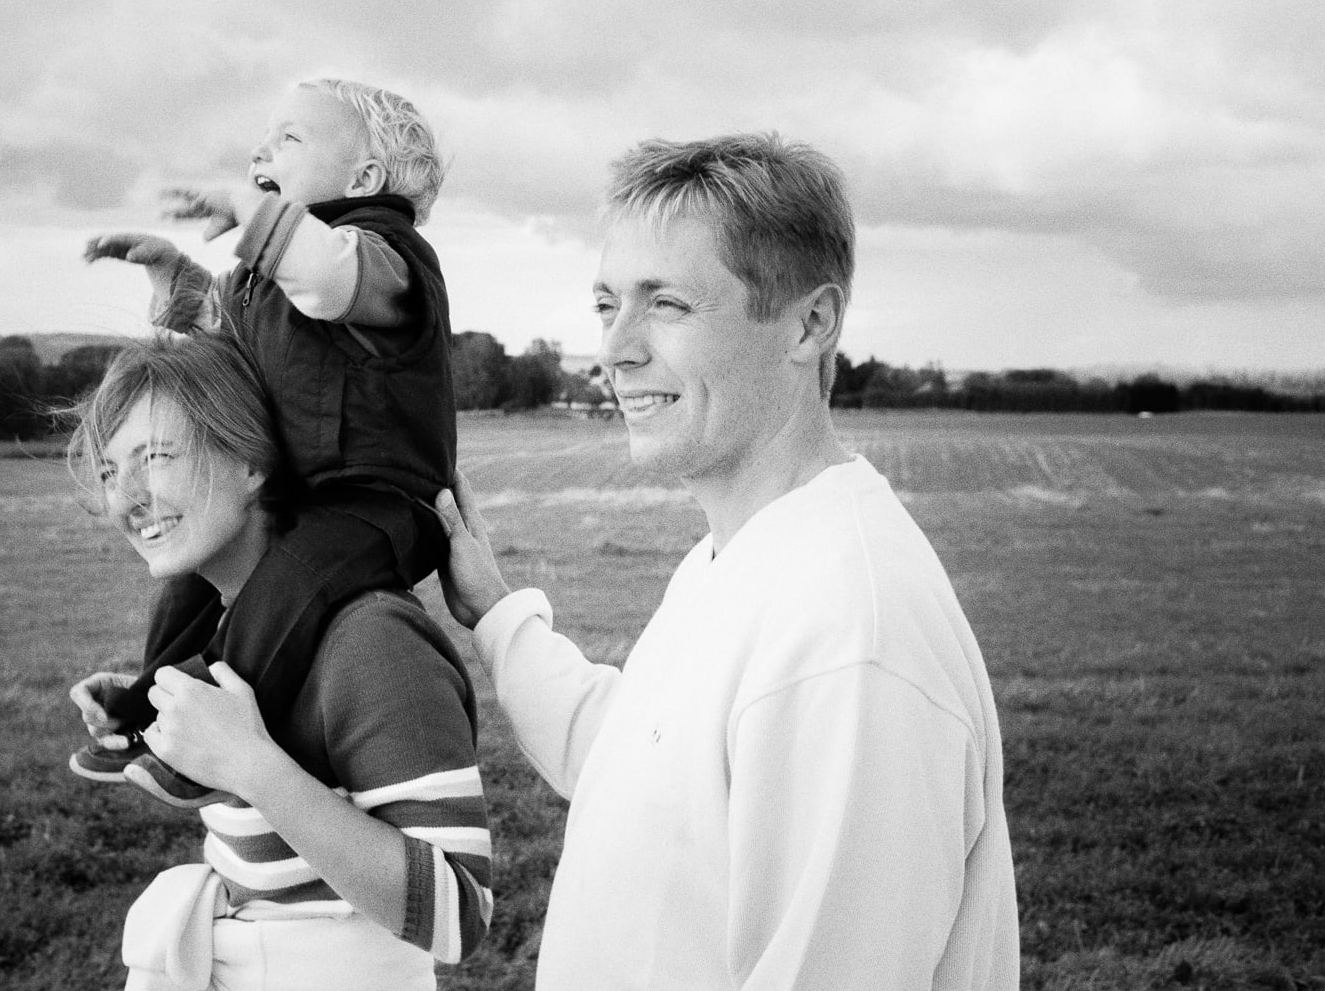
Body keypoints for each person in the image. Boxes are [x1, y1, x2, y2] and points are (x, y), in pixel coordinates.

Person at [433, 133, 1020, 989]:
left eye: (665, 304)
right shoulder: (745, 553)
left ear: (809, 324)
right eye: (607, 304)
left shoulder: (850, 637)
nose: (617, 349)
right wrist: (495, 615)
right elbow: (643, 763)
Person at [66, 331, 491, 989]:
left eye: (154, 458)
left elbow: (458, 914)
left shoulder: (371, 637)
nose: (126, 498)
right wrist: (147, 702)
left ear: (252, 461)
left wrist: (250, 766)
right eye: (109, 472)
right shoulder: (234, 622)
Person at [77, 77, 456, 808]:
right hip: (305, 493)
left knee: (291, 585)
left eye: (290, 138)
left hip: (378, 503)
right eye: (265, 137)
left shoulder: (385, 254)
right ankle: (146, 711)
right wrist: (176, 278)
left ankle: (204, 735)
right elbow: (227, 329)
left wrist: (256, 212)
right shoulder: (263, 278)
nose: (262, 149)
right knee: (195, 580)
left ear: (365, 178)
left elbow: (324, 276)